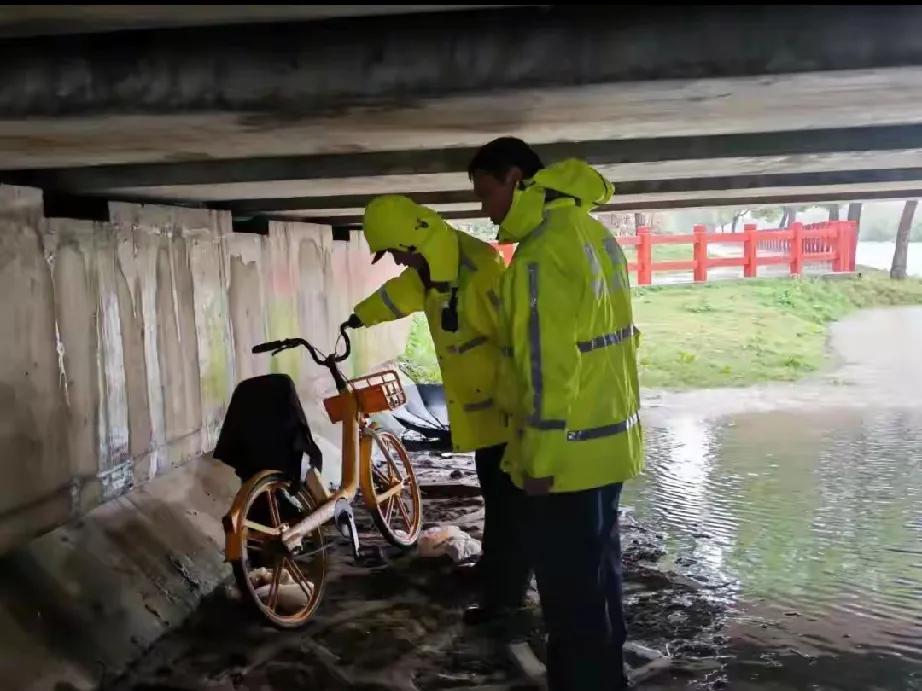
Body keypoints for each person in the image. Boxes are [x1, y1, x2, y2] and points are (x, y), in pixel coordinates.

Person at [468, 138, 644, 691]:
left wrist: (538, 459)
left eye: (485, 191)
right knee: (600, 579)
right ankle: (606, 677)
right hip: (608, 444)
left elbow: (547, 371)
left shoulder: (542, 254)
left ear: (516, 179)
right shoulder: (594, 235)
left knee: (570, 597)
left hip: (566, 457)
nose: (482, 207)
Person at [345, 194, 530, 623]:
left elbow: (513, 342)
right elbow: (398, 296)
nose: (394, 260)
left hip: (504, 409)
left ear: (413, 241)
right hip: (481, 412)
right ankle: (492, 570)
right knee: (494, 493)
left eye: (393, 251)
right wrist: (357, 318)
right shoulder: (432, 266)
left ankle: (507, 599)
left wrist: (520, 408)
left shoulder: (478, 268)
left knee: (510, 506)